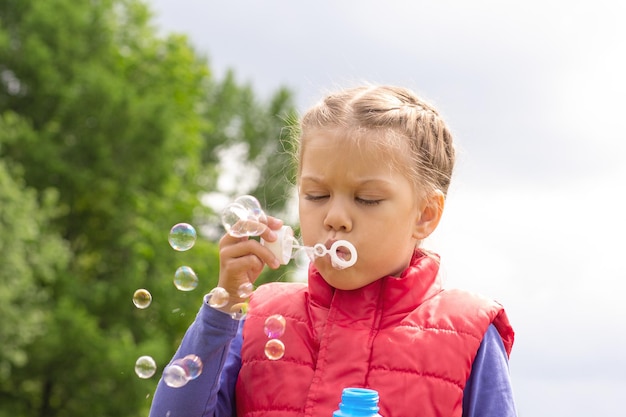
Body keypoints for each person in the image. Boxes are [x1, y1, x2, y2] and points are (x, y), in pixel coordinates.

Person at [149, 85, 517, 417]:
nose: (335, 217)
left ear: (425, 214)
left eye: (366, 199)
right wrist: (225, 304)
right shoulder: (258, 320)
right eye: (317, 195)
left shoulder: (468, 333)